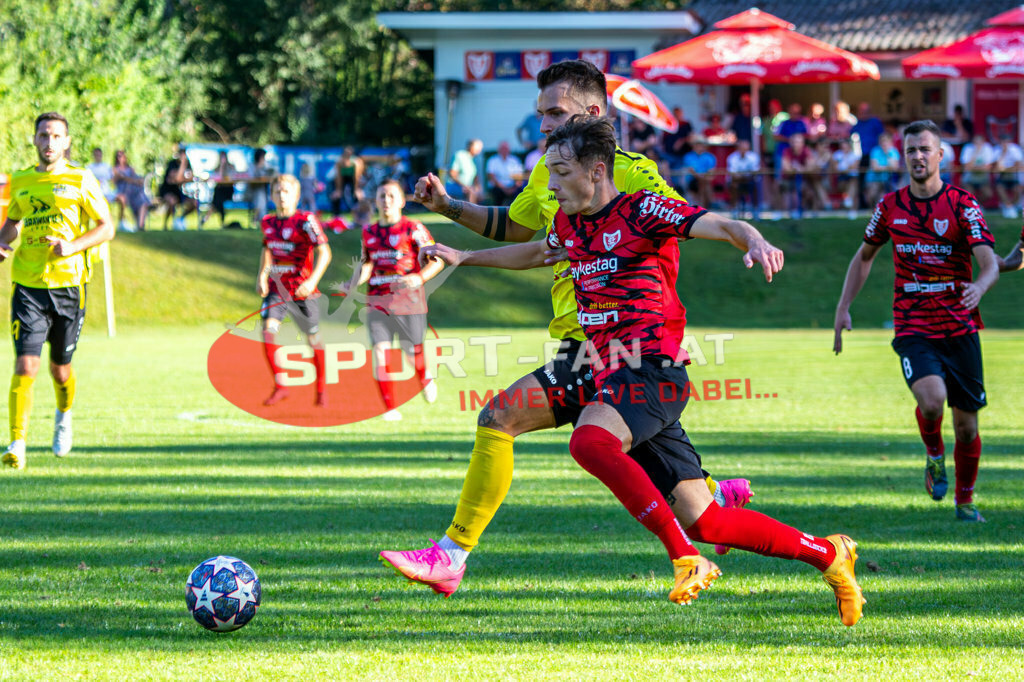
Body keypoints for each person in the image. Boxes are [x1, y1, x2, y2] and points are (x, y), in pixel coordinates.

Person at [395, 115, 865, 626]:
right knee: (708, 519)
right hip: (608, 373)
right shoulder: (571, 223)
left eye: (560, 172)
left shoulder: (642, 210)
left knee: (590, 443)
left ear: (597, 171)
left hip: (651, 371)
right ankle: (829, 554)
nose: (550, 185)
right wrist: (465, 256)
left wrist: (752, 239)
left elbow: (719, 222)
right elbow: (536, 251)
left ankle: (684, 558)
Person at [381, 59, 778, 605]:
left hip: (628, 349)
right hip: (583, 344)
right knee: (502, 418)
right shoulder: (553, 170)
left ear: (594, 116)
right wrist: (450, 209)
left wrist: (669, 316)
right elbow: (523, 231)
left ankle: (710, 515)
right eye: (540, 113)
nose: (543, 123)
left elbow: (674, 229)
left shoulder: (629, 172)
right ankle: (451, 557)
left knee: (589, 446)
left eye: (555, 112)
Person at [834, 119, 999, 523]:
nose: (918, 157)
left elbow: (990, 262)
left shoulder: (962, 204)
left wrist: (979, 287)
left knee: (967, 428)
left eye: (925, 149)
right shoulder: (891, 206)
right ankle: (933, 455)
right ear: (903, 156)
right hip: (913, 325)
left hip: (960, 326)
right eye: (911, 150)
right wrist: (843, 307)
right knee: (931, 401)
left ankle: (965, 501)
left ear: (941, 155)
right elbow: (865, 257)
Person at [0, 112, 115, 469]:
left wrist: (72, 246)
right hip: (29, 286)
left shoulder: (81, 179)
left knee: (60, 370)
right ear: (34, 140)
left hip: (69, 287)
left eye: (56, 136)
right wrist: (1, 244)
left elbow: (106, 227)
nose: (49, 142)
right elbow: (13, 224)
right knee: (25, 365)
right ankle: (17, 443)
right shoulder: (20, 181)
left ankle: (64, 415)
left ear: (66, 142)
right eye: (43, 135)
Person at [342, 179, 443, 421]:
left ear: (400, 201)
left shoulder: (413, 228)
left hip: (408, 302)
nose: (385, 201)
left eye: (390, 196)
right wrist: (352, 282)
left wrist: (419, 278)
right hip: (377, 300)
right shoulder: (369, 231)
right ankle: (389, 407)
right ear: (375, 201)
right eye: (381, 196)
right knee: (380, 351)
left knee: (411, 352)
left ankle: (424, 377)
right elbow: (367, 263)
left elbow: (436, 260)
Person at [256, 174, 332, 407]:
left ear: (297, 196)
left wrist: (312, 281)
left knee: (313, 339)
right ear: (271, 195)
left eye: (286, 191)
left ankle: (321, 389)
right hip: (277, 289)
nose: (281, 196)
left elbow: (325, 253)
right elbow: (267, 249)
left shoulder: (306, 221)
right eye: (277, 191)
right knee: (268, 332)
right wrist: (262, 274)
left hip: (302, 290)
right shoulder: (268, 222)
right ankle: (281, 386)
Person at [158, 145, 197, 230]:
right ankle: (167, 224)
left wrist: (182, 178)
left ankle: (180, 219)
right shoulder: (172, 164)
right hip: (167, 190)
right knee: (172, 201)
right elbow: (177, 179)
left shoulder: (188, 163)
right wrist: (183, 165)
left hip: (178, 191)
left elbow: (191, 177)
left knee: (194, 203)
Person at [113, 149, 151, 232]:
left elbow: (136, 179)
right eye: (118, 156)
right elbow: (117, 179)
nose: (119, 158)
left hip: (134, 192)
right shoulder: (115, 169)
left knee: (143, 202)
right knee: (135, 198)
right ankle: (127, 223)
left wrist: (133, 180)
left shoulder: (130, 169)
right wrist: (133, 181)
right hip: (123, 192)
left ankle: (140, 225)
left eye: (121, 156)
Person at [864, 133, 901, 207]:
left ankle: (878, 214)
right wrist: (888, 167)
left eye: (886, 141)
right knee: (872, 196)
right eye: (882, 141)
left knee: (882, 198)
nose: (884, 143)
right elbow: (875, 168)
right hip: (873, 179)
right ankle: (873, 212)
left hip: (887, 180)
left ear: (891, 142)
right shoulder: (875, 151)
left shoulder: (893, 151)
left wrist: (888, 154)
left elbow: (895, 167)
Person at [203, 150, 237, 229]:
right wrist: (222, 166)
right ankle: (222, 221)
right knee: (218, 197)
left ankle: (206, 218)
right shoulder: (217, 168)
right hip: (220, 190)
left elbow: (232, 179)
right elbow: (219, 178)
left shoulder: (231, 167)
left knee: (217, 200)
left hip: (228, 190)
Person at [726, 138, 760, 217]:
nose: (743, 150)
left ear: (748, 148)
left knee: (755, 185)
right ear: (738, 148)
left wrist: (743, 176)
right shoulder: (732, 157)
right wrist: (745, 176)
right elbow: (733, 175)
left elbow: (755, 173)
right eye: (741, 148)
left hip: (749, 181)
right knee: (734, 185)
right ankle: (734, 209)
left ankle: (755, 210)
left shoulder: (754, 157)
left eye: (745, 148)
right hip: (737, 181)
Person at [991, 134, 1023, 217]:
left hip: (1014, 175)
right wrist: (1003, 153)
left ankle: (1010, 207)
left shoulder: (1015, 149)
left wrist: (1006, 168)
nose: (1004, 144)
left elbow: (1018, 164)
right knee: (999, 188)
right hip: (1002, 176)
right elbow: (996, 165)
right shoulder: (997, 150)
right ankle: (1009, 207)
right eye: (1003, 142)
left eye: (1006, 142)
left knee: (1017, 190)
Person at [959, 134, 994, 206]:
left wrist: (974, 167)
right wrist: (976, 152)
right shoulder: (968, 148)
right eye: (976, 142)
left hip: (983, 178)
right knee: (968, 195)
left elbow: (988, 167)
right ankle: (972, 206)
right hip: (969, 178)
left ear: (983, 142)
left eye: (979, 142)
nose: (977, 144)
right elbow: (967, 166)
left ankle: (977, 205)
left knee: (988, 194)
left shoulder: (987, 148)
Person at [485, 141, 524, 206]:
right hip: (498, 187)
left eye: (506, 148)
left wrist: (514, 188)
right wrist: (504, 189)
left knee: (521, 191)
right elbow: (492, 177)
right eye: (502, 148)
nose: (504, 150)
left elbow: (519, 177)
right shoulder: (492, 160)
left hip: (512, 187)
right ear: (498, 150)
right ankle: (497, 213)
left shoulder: (515, 160)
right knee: (497, 193)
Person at [682, 137, 717, 208]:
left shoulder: (710, 157)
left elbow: (711, 172)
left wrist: (705, 178)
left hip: (705, 180)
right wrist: (702, 177)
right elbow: (691, 171)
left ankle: (702, 207)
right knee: (703, 183)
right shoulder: (688, 156)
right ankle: (706, 206)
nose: (699, 147)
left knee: (703, 184)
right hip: (692, 181)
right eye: (697, 145)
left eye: (701, 145)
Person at [831, 138, 862, 216]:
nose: (844, 147)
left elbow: (854, 167)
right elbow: (835, 168)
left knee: (853, 182)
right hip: (841, 178)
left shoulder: (855, 155)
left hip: (852, 177)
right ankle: (851, 208)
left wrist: (844, 166)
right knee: (851, 185)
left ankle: (850, 205)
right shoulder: (837, 154)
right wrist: (846, 165)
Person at [330, 146, 364, 215]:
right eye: (345, 153)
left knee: (357, 196)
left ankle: (358, 214)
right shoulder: (339, 162)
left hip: (353, 178)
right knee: (336, 195)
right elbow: (339, 177)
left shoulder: (356, 162)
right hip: (343, 178)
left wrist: (356, 189)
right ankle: (336, 215)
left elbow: (356, 177)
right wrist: (338, 190)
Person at [249, 148, 275, 223]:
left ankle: (261, 219)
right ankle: (258, 219)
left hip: (264, 188)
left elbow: (272, 172)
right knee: (260, 198)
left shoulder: (266, 164)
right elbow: (252, 176)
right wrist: (259, 166)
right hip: (253, 189)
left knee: (262, 197)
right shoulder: (252, 165)